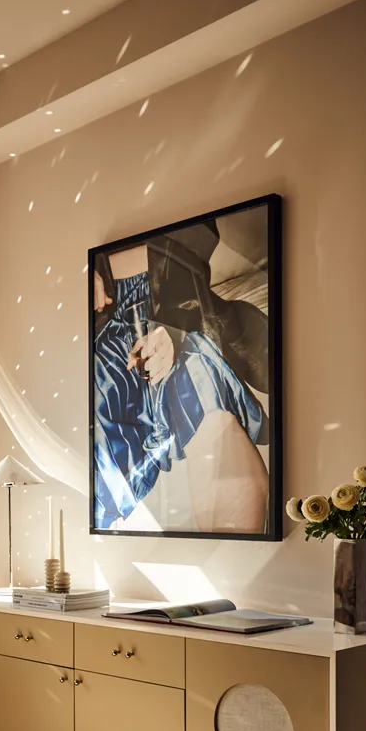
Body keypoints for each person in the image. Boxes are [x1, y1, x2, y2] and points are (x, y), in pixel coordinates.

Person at [92, 224, 269, 533]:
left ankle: (233, 566)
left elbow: (196, 238)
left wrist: (172, 329)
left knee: (198, 379)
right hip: (106, 330)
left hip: (177, 307)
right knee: (103, 411)